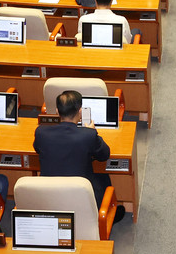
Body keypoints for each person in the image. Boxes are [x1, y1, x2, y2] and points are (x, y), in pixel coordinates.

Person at [33, 89, 125, 222]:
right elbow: (104, 155)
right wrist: (94, 133)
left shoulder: (41, 132)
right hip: (80, 195)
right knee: (102, 175)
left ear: (57, 112)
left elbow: (37, 149)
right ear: (80, 111)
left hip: (50, 194)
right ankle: (106, 214)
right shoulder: (88, 135)